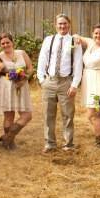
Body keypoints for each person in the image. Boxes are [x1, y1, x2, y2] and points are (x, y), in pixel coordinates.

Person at [37, 14, 83, 153]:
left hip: (66, 83)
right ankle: (49, 143)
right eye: (60, 24)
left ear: (69, 25)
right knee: (47, 114)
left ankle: (68, 144)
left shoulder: (75, 41)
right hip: (49, 82)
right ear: (55, 25)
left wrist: (74, 84)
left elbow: (78, 63)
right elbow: (42, 60)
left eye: (65, 24)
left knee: (68, 115)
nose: (62, 26)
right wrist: (41, 79)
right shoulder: (48, 40)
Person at [0, 32, 33, 150]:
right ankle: (10, 143)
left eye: (8, 42)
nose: (6, 45)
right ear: (0, 45)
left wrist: (25, 78)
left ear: (12, 42)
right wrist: (0, 69)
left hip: (22, 85)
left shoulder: (21, 53)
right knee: (9, 116)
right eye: (3, 43)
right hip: (6, 86)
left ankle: (8, 137)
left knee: (27, 115)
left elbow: (30, 68)